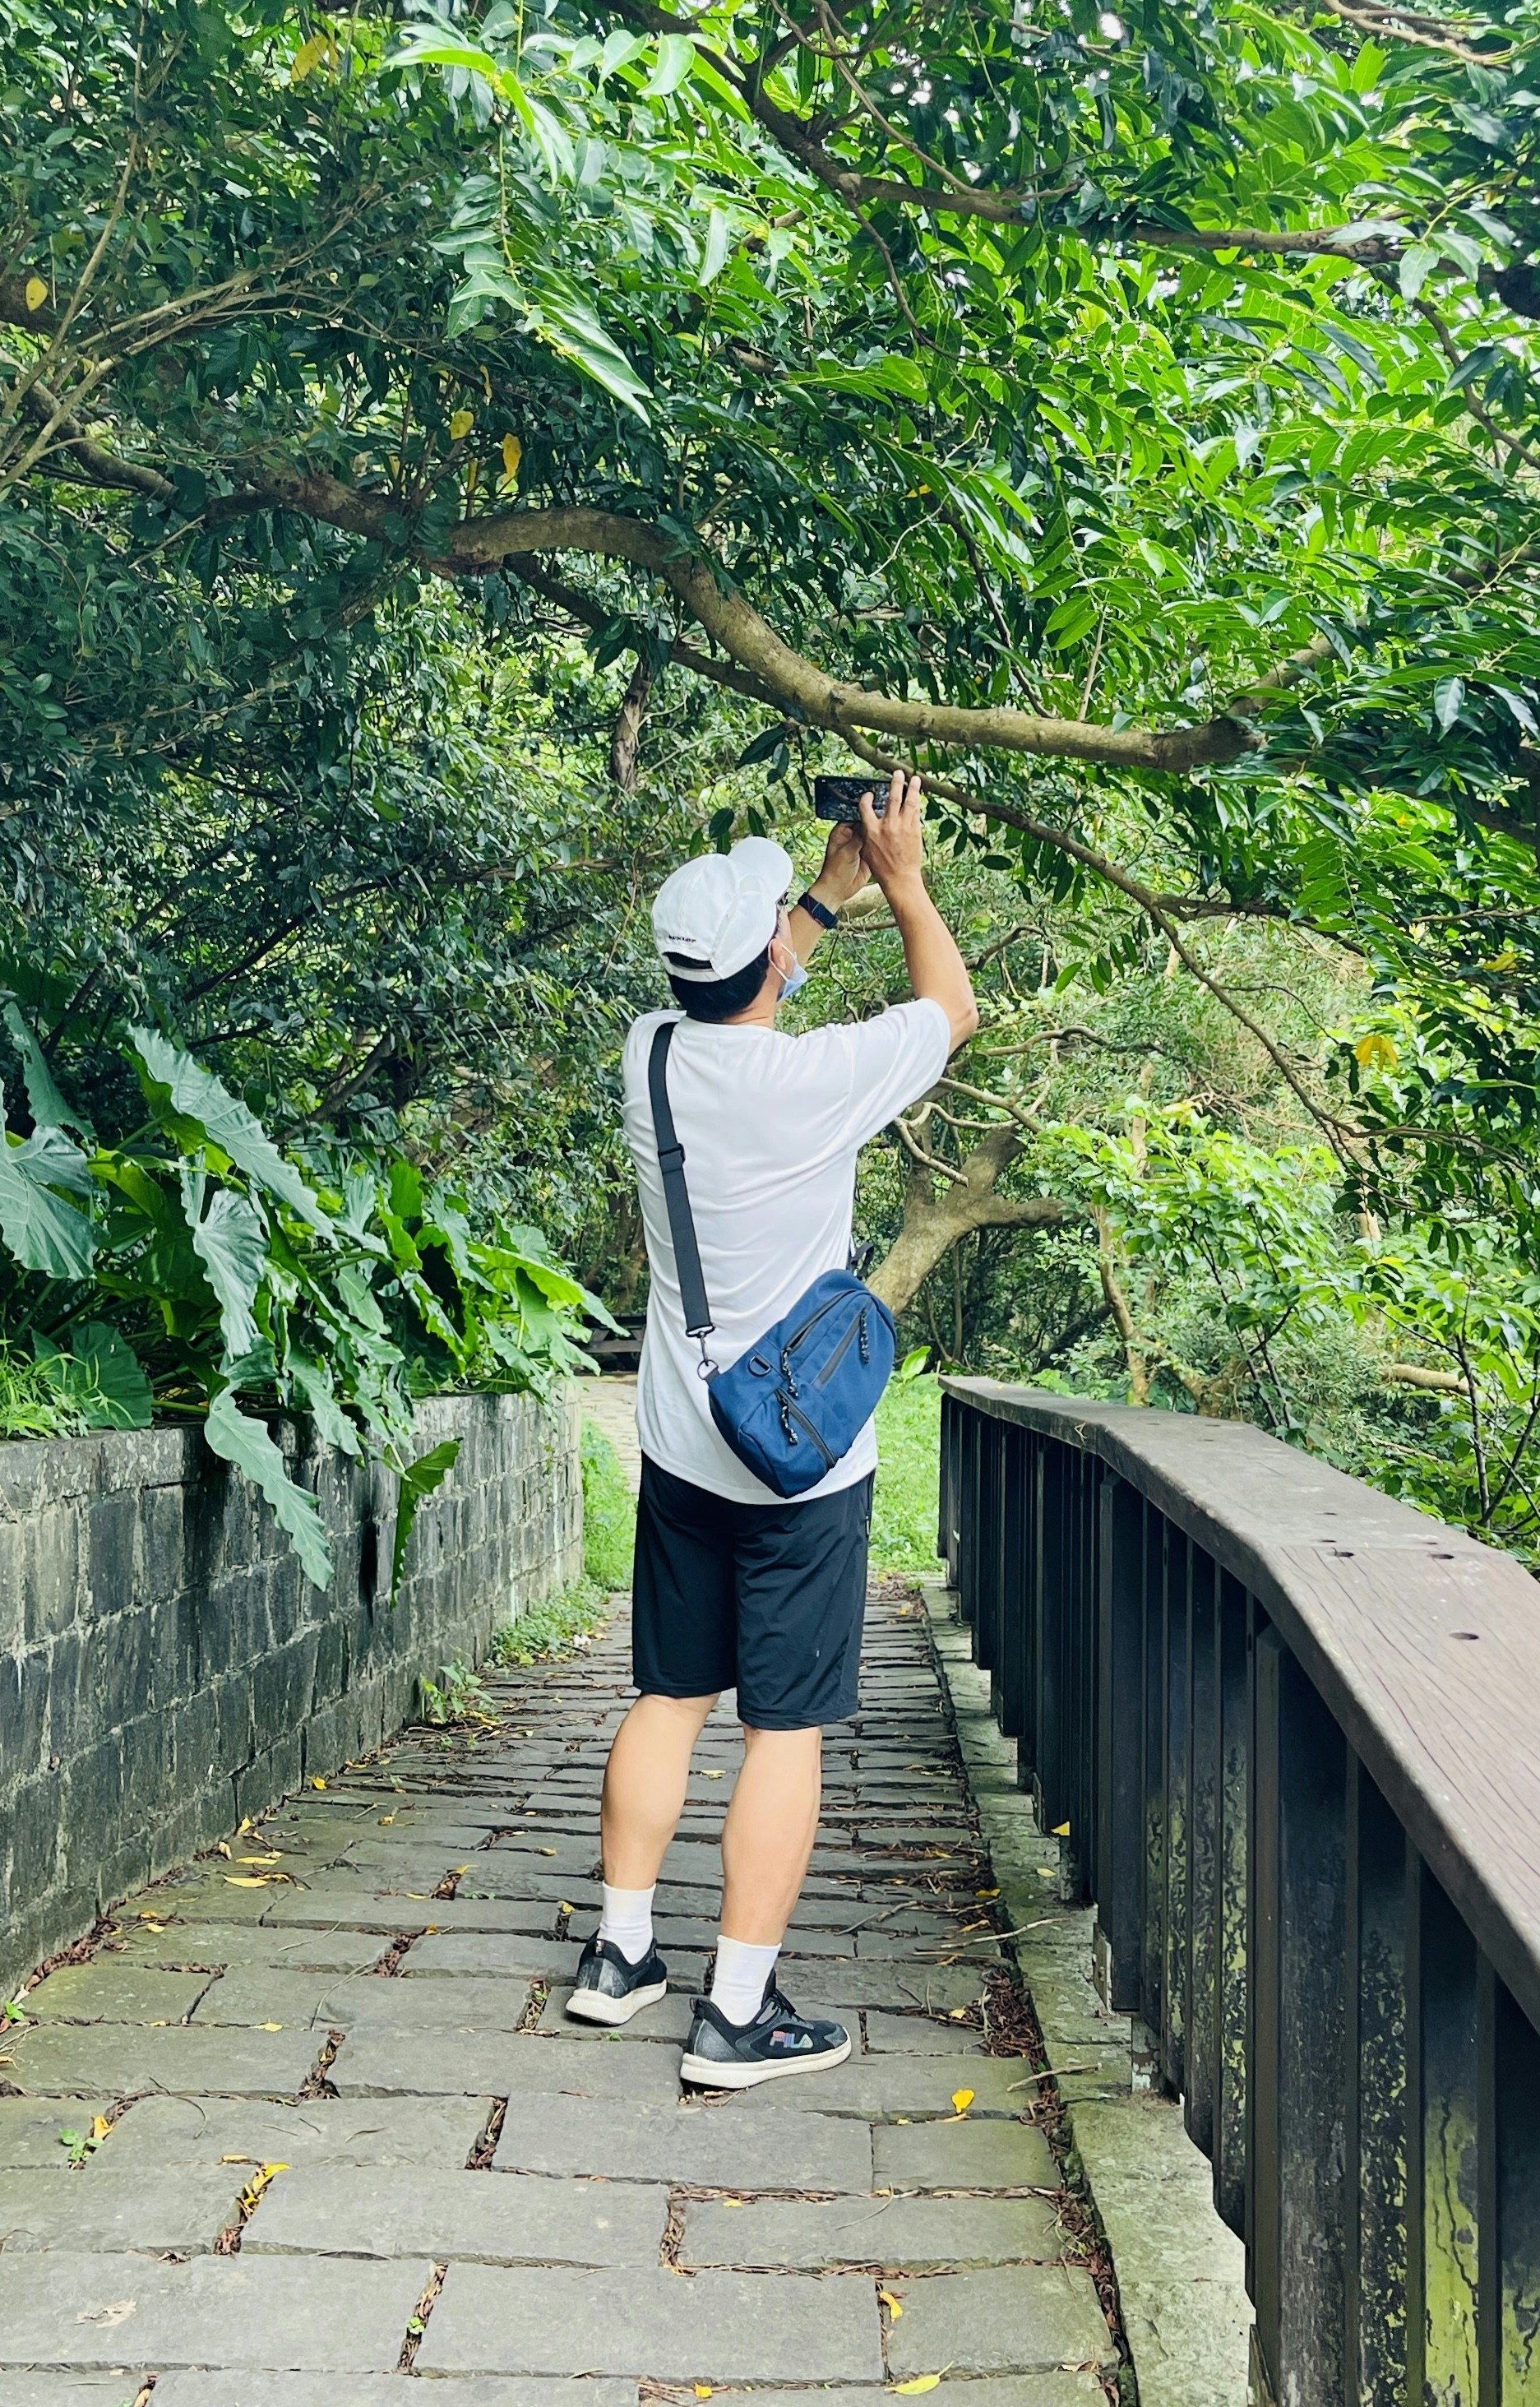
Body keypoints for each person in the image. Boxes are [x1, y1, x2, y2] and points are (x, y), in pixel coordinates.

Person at [566, 770, 979, 2086]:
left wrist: (818, 897)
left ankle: (622, 1955)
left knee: (669, 1696)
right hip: (801, 1464)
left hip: (685, 1446)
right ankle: (738, 2012)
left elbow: (742, 982)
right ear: (760, 971)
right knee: (781, 1731)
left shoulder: (650, 1057)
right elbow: (950, 1010)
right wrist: (903, 881)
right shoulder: (816, 1081)